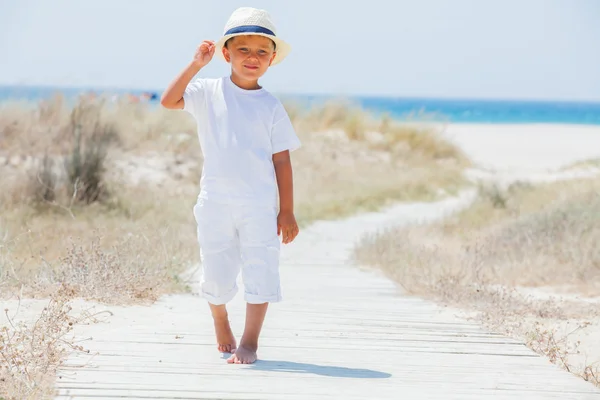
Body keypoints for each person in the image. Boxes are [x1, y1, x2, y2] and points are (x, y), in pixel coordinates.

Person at [160, 7, 300, 365]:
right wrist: (196, 65)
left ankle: (250, 342)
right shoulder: (208, 91)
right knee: (216, 270)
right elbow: (169, 100)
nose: (252, 58)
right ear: (226, 54)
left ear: (271, 59)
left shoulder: (270, 105)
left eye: (261, 52)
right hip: (216, 202)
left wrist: (287, 210)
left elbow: (282, 160)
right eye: (243, 50)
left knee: (261, 268)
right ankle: (220, 319)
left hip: (259, 205)